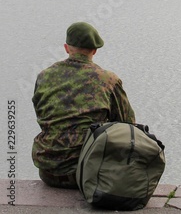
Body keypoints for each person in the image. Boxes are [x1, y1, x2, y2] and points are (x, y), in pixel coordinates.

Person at [32, 22, 136, 189]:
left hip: (48, 171)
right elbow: (128, 125)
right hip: (88, 173)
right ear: (94, 51)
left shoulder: (44, 76)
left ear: (66, 48)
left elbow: (41, 115)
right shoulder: (108, 79)